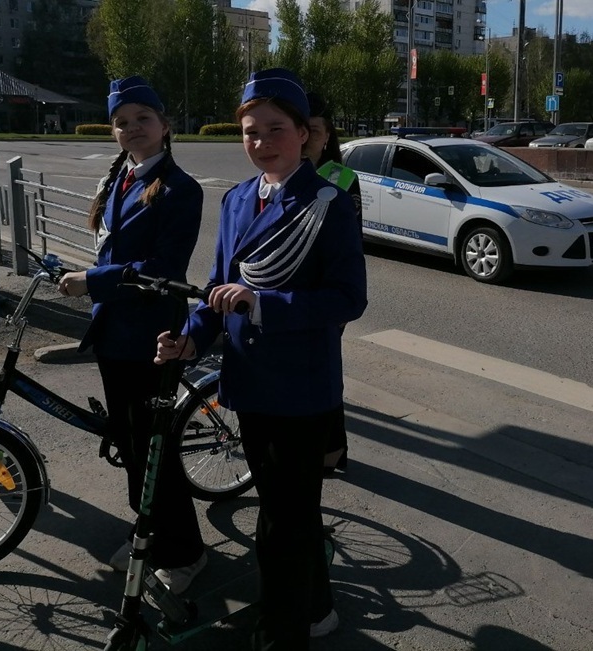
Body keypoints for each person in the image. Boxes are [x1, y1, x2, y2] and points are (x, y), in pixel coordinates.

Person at [154, 68, 367, 649]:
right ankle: (315, 608)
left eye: (276, 128)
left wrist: (263, 302)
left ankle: (282, 632)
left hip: (301, 390)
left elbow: (349, 299)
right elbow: (219, 286)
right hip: (249, 385)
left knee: (282, 526)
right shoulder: (238, 199)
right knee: (283, 511)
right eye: (250, 131)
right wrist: (191, 339)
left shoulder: (328, 201)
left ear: (305, 134)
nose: (261, 142)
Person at [56, 76, 206, 593]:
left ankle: (185, 552)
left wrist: (91, 281)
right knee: (129, 443)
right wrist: (81, 274)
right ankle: (148, 530)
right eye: (122, 122)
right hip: (113, 332)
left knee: (154, 450)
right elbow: (111, 249)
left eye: (143, 118)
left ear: (166, 126)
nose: (132, 128)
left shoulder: (180, 189)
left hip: (153, 337)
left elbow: (162, 266)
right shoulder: (118, 177)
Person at [303, 91, 362, 475]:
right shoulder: (277, 172)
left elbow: (352, 241)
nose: (308, 138)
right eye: (302, 129)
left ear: (328, 137)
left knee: (323, 376)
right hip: (286, 293)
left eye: (315, 131)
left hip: (324, 294)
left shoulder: (341, 178)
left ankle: (331, 449)